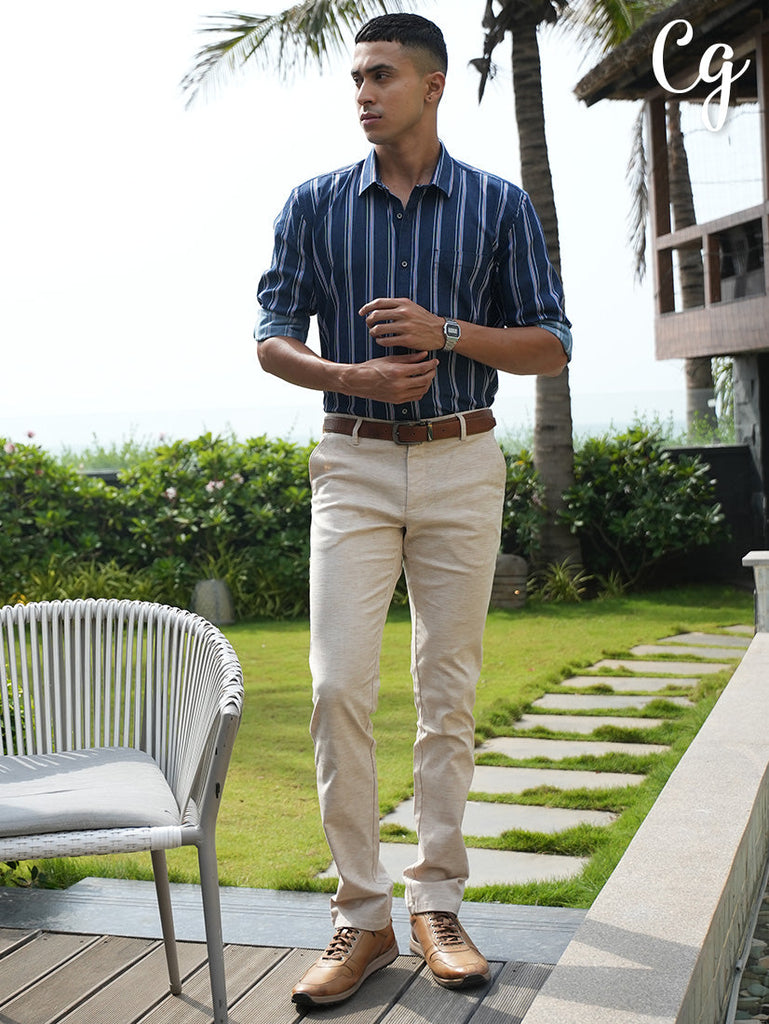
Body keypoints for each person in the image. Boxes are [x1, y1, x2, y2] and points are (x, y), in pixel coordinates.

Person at [255, 12, 572, 1008]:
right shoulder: (312, 205)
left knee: (448, 692)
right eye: (354, 76)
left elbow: (551, 343)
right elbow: (270, 337)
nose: (362, 92)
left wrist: (447, 331)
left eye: (381, 75)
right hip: (348, 464)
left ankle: (437, 903)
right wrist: (347, 370)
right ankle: (361, 916)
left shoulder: (498, 204)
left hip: (460, 460)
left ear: (431, 88)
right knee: (335, 686)